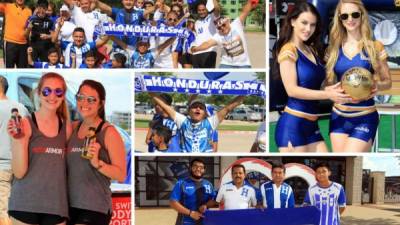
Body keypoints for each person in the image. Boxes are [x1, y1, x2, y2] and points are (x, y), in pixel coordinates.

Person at [273, 2, 351, 152]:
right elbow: (292, 90)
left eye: (312, 25)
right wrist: (327, 94)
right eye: (304, 23)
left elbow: (314, 85)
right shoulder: (288, 50)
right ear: (293, 21)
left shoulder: (311, 49)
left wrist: (334, 88)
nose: (308, 29)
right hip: (292, 126)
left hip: (312, 126)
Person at [326, 0, 392, 152]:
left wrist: (377, 86)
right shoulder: (333, 50)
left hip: (365, 115)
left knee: (352, 155)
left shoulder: (375, 46)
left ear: (362, 16)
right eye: (345, 16)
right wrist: (331, 93)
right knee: (342, 159)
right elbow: (327, 84)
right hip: (338, 115)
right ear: (340, 19)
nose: (350, 19)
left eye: (355, 14)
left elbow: (387, 82)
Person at [7, 72, 71, 225]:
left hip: (56, 208)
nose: (52, 96)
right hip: (25, 205)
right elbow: (19, 172)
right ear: (38, 92)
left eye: (58, 91)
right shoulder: (26, 123)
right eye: (47, 91)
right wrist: (18, 141)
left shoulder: (67, 127)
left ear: (63, 95)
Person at [67, 80, 126, 225]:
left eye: (91, 99)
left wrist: (97, 163)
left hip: (95, 206)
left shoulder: (109, 132)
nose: (84, 103)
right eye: (80, 97)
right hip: (69, 206)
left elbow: (121, 175)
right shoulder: (73, 127)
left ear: (101, 103)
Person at [149, 94, 244, 153]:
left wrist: (248, 92)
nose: (198, 109)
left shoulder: (210, 123)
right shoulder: (183, 121)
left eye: (201, 107)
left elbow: (228, 108)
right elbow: (164, 106)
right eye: (194, 107)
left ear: (205, 113)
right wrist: (151, 93)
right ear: (189, 111)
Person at [190, 0, 257, 68]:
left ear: (228, 22)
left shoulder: (236, 24)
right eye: (219, 27)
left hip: (243, 64)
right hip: (226, 63)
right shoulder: (218, 35)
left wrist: (250, 2)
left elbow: (244, 12)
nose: (222, 28)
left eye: (224, 25)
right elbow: (207, 44)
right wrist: (196, 49)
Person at [0, 76, 29, 225]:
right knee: (17, 212)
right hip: (20, 166)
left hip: (1, 169)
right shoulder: (21, 108)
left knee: (3, 213)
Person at [170, 158, 215, 225]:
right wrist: (190, 213)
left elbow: (213, 200)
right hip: (185, 222)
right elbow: (173, 203)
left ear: (204, 170)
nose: (198, 169)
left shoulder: (208, 184)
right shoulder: (181, 183)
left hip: (205, 221)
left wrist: (206, 205)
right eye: (195, 166)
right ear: (190, 168)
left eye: (201, 167)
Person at [0, 0, 32, 68]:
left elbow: (28, 29)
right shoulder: (7, 6)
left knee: (22, 70)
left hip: (23, 44)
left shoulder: (29, 11)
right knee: (9, 70)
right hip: (10, 42)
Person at [191, 0, 220, 68]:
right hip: (196, 54)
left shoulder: (212, 17)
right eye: (199, 10)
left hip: (209, 52)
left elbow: (217, 9)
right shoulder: (197, 22)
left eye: (203, 10)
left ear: (207, 9)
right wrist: (192, 47)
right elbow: (196, 37)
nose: (201, 12)